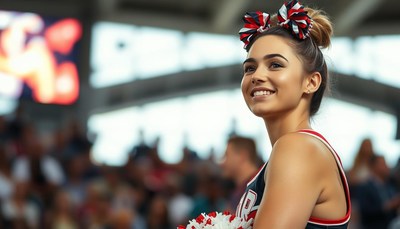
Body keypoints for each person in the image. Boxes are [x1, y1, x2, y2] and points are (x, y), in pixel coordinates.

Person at [235, 0, 351, 228]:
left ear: (311, 82)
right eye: (250, 68)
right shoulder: (295, 148)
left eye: (275, 65)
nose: (257, 76)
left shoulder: (298, 148)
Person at [357, 154, 400, 229]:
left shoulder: (390, 185)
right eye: (382, 164)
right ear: (373, 167)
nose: (387, 166)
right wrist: (388, 206)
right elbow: (365, 212)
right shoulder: (364, 187)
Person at [220, 136, 261, 213]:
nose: (222, 163)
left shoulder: (260, 189)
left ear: (242, 156)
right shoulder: (239, 190)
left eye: (226, 155)